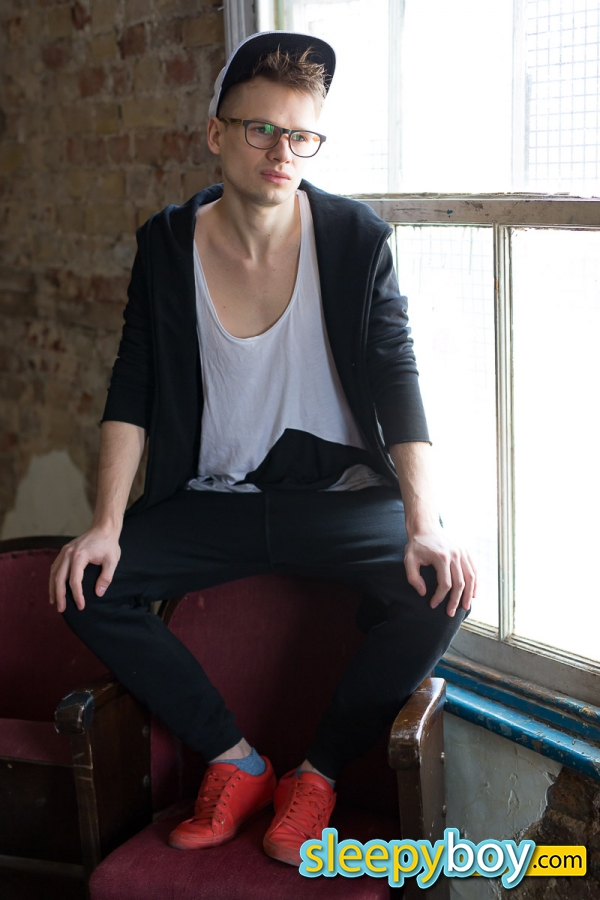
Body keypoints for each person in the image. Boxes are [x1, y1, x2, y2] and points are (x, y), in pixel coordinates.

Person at [50, 31, 476, 867]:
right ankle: (234, 761)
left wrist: (424, 522)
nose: (283, 153)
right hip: (214, 499)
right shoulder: (166, 245)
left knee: (444, 589)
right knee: (86, 586)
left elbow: (398, 380)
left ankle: (315, 776)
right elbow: (132, 385)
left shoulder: (354, 239)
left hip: (339, 500)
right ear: (216, 133)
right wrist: (106, 523)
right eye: (261, 130)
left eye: (302, 136)